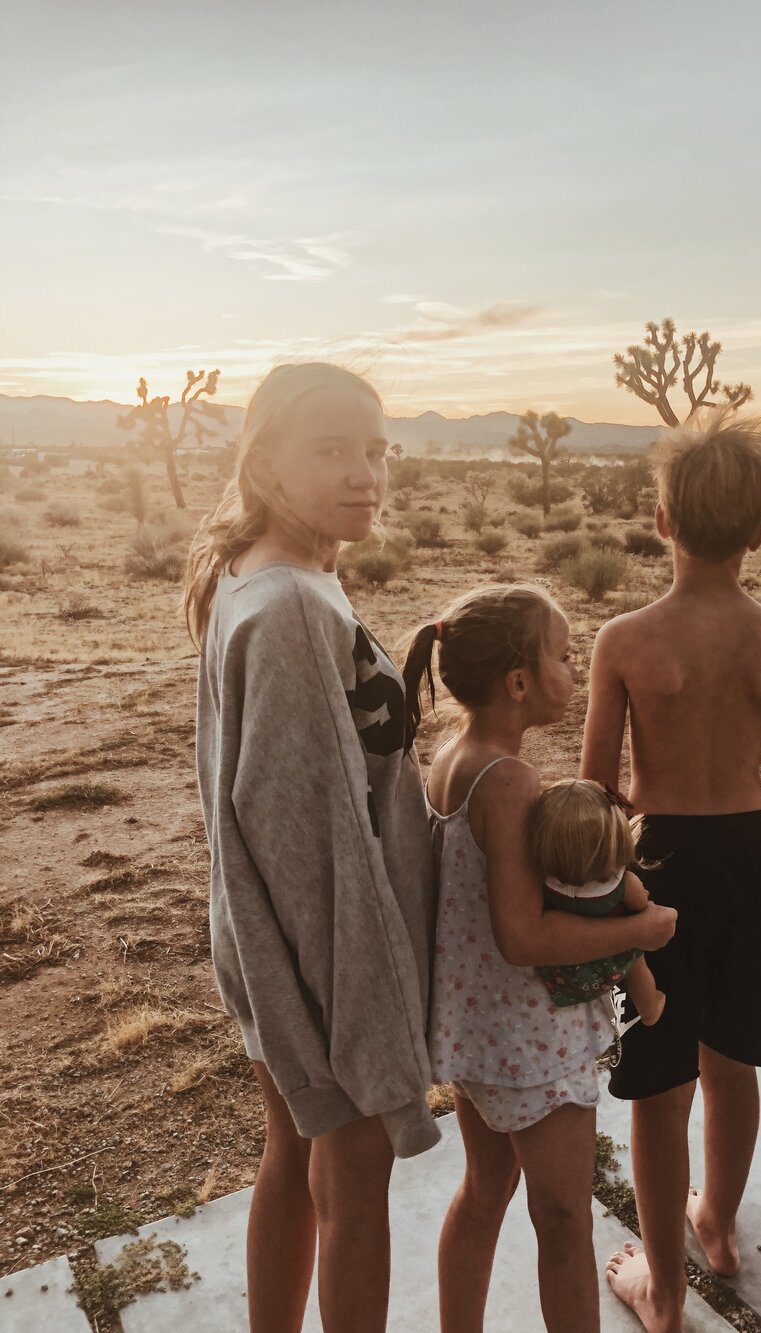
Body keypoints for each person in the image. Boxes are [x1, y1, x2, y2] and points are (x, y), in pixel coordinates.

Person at [186, 362, 440, 1333]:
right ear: (264, 460)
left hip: (264, 934)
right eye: (331, 449)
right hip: (320, 952)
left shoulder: (262, 571)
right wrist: (361, 1013)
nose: (365, 474)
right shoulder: (289, 603)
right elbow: (310, 834)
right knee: (354, 1173)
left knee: (292, 1153)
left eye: (377, 450)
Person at [580, 407, 761, 1333]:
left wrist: (625, 874)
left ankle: (665, 1293)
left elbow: (597, 786)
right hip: (753, 851)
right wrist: (752, 839)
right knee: (736, 1053)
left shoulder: (625, 639)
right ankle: (715, 1219)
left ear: (662, 519)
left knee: (657, 1079)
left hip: (659, 861)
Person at [401, 586, 677, 1333]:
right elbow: (523, 935)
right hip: (529, 1042)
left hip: (478, 1031)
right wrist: (637, 932)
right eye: (561, 654)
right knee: (563, 1223)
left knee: (484, 1190)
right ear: (518, 682)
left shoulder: (453, 756)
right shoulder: (508, 778)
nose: (574, 668)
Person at [527, 778, 666, 1025]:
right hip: (608, 962)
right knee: (636, 958)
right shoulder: (622, 884)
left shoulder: (541, 883)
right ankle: (650, 1007)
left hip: (561, 974)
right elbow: (641, 905)